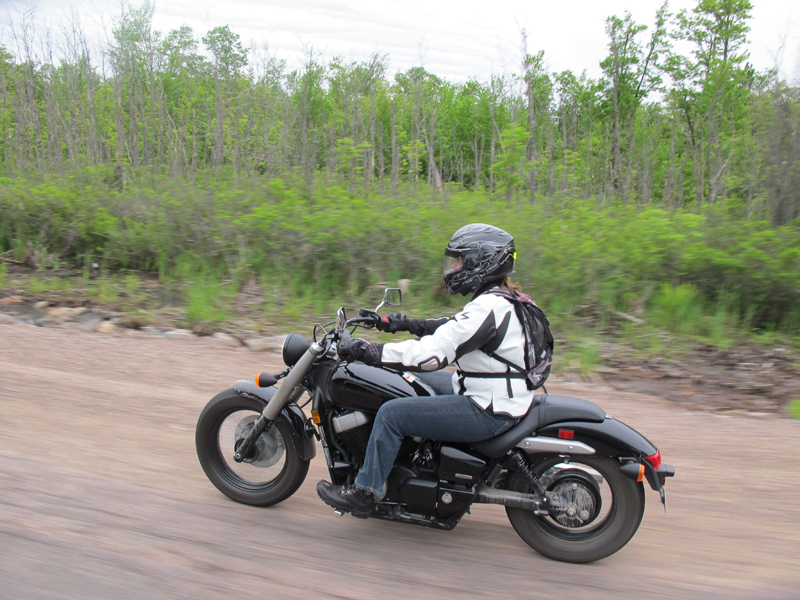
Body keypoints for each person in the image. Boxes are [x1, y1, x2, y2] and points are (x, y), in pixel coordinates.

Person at [316, 223, 539, 517]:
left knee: (391, 414)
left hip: (487, 407)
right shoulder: (499, 300)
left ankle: (365, 492)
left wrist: (369, 351)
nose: (454, 266)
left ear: (481, 262)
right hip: (489, 390)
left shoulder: (489, 308)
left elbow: (431, 354)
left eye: (460, 259)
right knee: (408, 380)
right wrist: (396, 323)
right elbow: (452, 328)